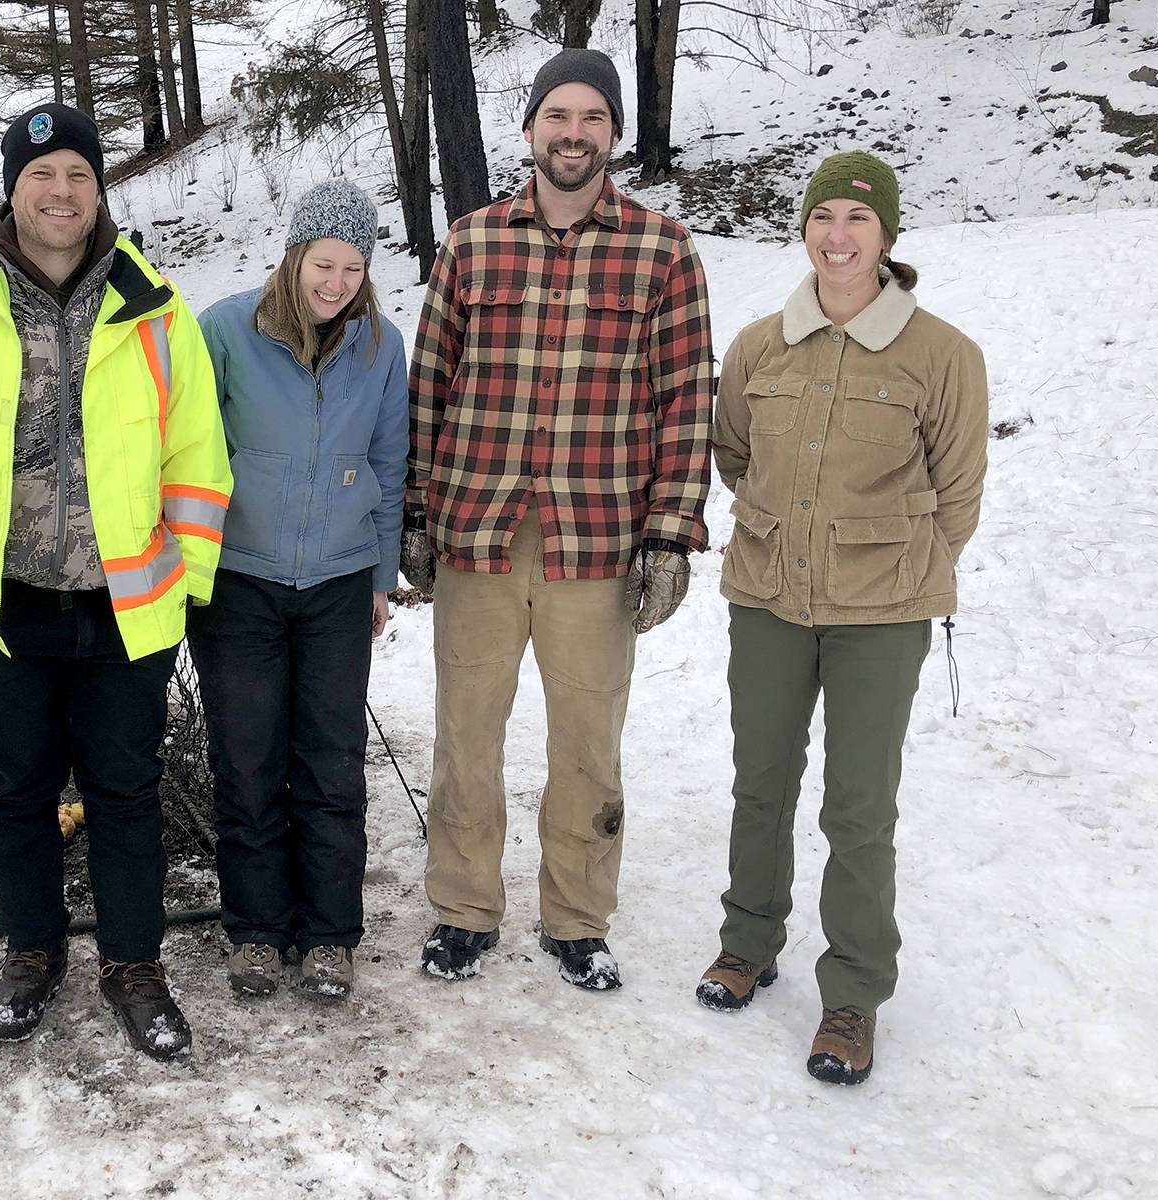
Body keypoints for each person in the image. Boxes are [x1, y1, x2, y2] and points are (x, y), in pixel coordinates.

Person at [0, 103, 231, 1061]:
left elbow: (197, 458)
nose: (60, 192)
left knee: (127, 790)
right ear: (13, 189)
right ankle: (31, 952)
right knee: (15, 790)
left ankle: (135, 967)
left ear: (100, 191)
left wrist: (183, 583)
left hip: (123, 607)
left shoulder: (158, 307)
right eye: (41, 174)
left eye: (78, 176)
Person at [402, 49, 714, 989]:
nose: (572, 134)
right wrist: (414, 511)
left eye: (591, 119)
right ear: (531, 127)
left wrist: (671, 531)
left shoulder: (663, 250)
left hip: (597, 540)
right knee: (467, 731)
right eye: (557, 116)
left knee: (586, 739)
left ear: (612, 134)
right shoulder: (472, 242)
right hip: (479, 535)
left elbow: (685, 400)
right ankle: (464, 908)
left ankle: (577, 917)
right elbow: (429, 388)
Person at [696, 151, 988, 1085]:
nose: (838, 237)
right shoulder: (757, 346)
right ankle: (749, 941)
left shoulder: (943, 355)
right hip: (770, 596)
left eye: (857, 221)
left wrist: (886, 556)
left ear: (888, 237)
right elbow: (734, 456)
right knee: (760, 781)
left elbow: (959, 494)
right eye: (824, 218)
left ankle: (854, 994)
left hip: (884, 612)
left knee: (859, 807)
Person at [188, 179, 408, 1003]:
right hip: (239, 582)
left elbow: (389, 466)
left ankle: (327, 936)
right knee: (246, 762)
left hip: (337, 583)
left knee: (330, 763)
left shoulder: (381, 348)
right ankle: (254, 930)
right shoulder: (224, 331)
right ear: (293, 255)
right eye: (324, 262)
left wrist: (381, 577)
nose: (337, 283)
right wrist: (191, 564)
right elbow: (192, 454)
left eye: (354, 267)